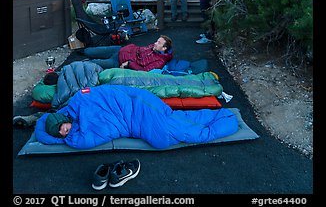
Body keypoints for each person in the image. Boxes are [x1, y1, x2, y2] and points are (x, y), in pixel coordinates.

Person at [35, 84, 238, 150]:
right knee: (176, 120)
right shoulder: (76, 131)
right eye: (61, 135)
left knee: (167, 134)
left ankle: (228, 120)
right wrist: (62, 138)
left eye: (61, 128)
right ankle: (221, 116)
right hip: (139, 111)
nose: (64, 133)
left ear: (63, 120)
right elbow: (102, 131)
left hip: (139, 106)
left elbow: (107, 96)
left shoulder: (81, 101)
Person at [84, 35, 173, 71]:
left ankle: (84, 62)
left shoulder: (159, 62)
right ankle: (84, 55)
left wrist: (129, 63)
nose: (155, 43)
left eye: (158, 43)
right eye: (157, 41)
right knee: (88, 51)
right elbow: (138, 49)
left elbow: (144, 71)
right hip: (119, 50)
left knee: (91, 63)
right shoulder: (154, 47)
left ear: (164, 48)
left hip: (118, 61)